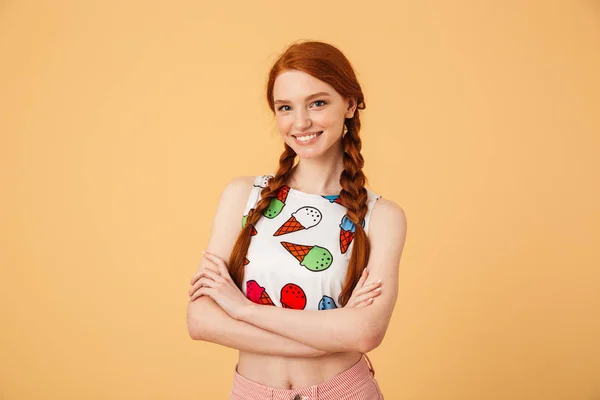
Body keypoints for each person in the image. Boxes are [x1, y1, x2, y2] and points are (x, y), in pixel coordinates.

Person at [186, 40, 407, 400]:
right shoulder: (242, 196)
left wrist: (240, 309)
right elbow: (200, 321)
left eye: (317, 102)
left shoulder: (382, 217)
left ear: (350, 104)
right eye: (285, 107)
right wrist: (329, 336)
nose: (300, 122)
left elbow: (366, 333)